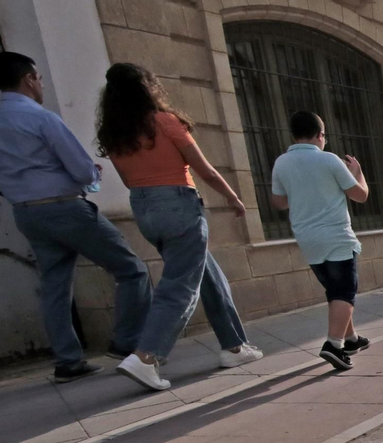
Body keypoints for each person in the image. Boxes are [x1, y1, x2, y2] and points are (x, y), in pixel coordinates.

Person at [96, 63, 260, 391]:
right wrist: (233, 198)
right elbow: (205, 169)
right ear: (148, 88)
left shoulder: (113, 135)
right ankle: (146, 357)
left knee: (208, 276)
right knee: (181, 286)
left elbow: (130, 180)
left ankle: (234, 347)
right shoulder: (165, 122)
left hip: (145, 209)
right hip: (178, 205)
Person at [0, 51, 150, 382]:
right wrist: (93, 175)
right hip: (64, 206)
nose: (41, 84)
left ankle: (67, 360)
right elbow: (79, 167)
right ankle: (125, 343)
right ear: (29, 80)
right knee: (131, 270)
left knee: (55, 285)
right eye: (40, 79)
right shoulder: (42, 118)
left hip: (27, 213)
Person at [270, 111, 370, 371]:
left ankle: (350, 339)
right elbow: (360, 195)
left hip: (307, 238)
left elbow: (278, 202)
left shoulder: (282, 162)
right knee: (345, 291)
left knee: (334, 290)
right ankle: (334, 345)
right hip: (336, 235)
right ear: (320, 135)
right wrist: (358, 173)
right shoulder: (329, 160)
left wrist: (304, 193)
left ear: (293, 134)